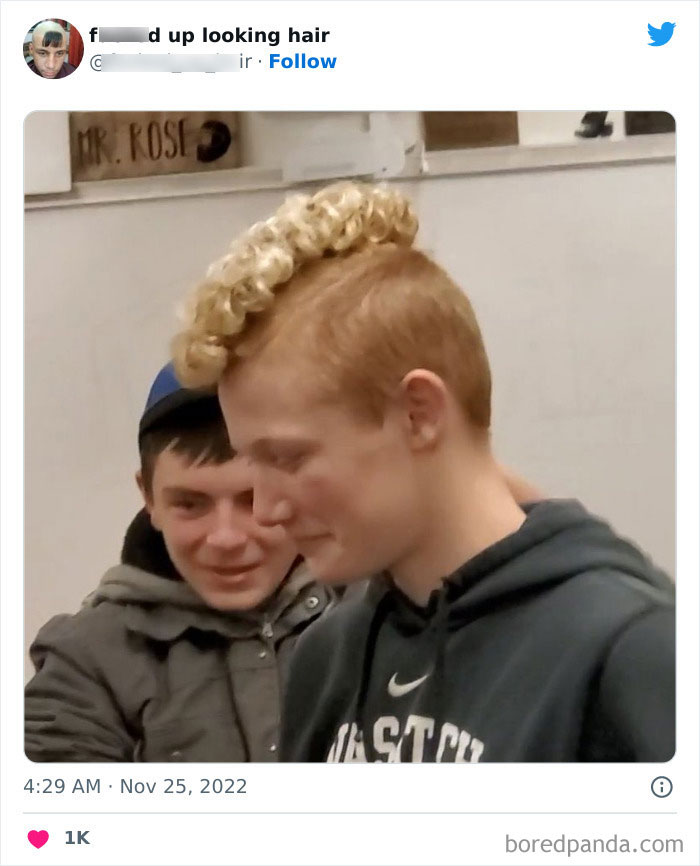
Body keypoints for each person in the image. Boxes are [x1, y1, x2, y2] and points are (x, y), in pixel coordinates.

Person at [171, 181, 675, 763]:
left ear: (419, 414)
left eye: (288, 459)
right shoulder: (329, 658)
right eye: (252, 462)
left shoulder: (630, 654)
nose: (265, 510)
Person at [25, 363, 334, 762]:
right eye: (189, 504)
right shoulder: (86, 660)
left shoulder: (386, 613)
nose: (226, 538)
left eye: (254, 498)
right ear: (148, 498)